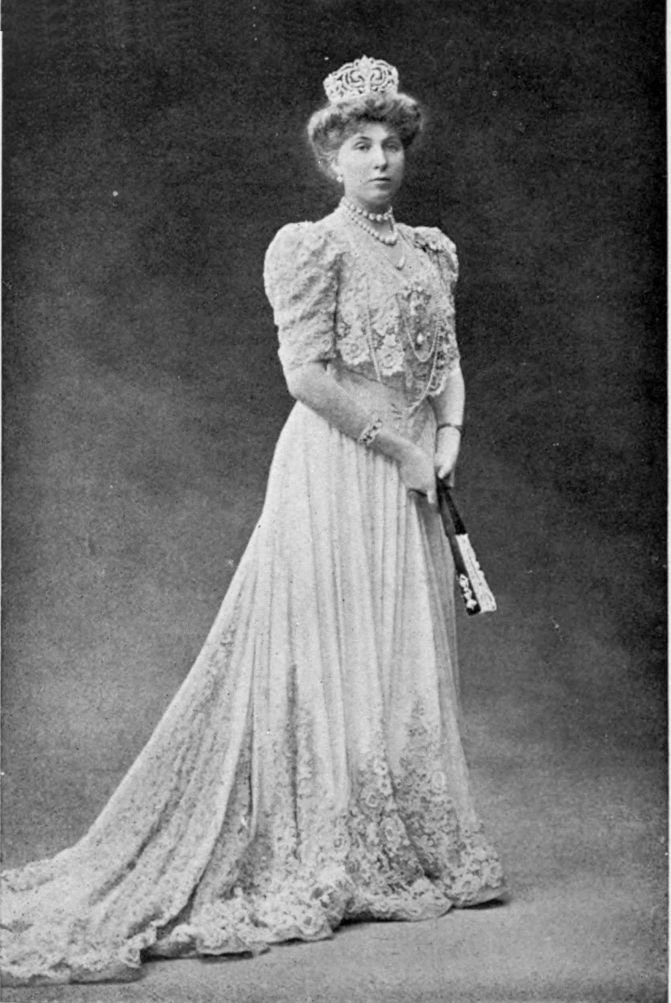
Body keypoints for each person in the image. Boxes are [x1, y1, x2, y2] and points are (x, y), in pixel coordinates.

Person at [0, 56, 505, 987]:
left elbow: (447, 362)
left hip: (411, 469)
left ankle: (389, 837)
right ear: (331, 159)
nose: (380, 159)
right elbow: (304, 375)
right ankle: (325, 840)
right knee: (326, 645)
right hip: (338, 465)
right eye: (360, 145)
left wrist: (446, 437)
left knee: (394, 644)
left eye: (391, 143)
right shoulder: (310, 247)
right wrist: (394, 447)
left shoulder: (432, 251)